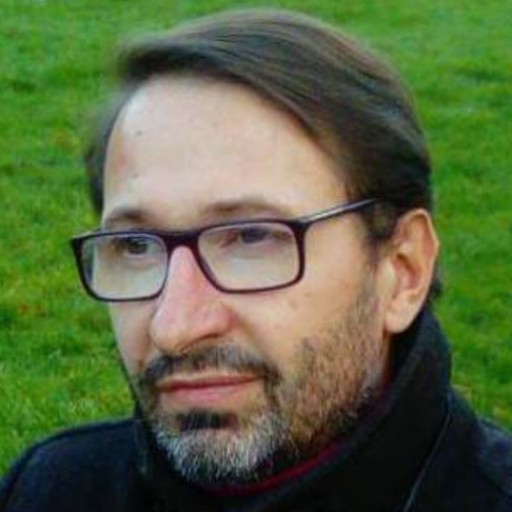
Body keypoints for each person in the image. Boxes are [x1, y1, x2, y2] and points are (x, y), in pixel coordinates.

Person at [1, 8, 511, 512]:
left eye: (251, 238)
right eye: (136, 246)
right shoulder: (49, 491)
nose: (174, 328)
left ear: (402, 271)